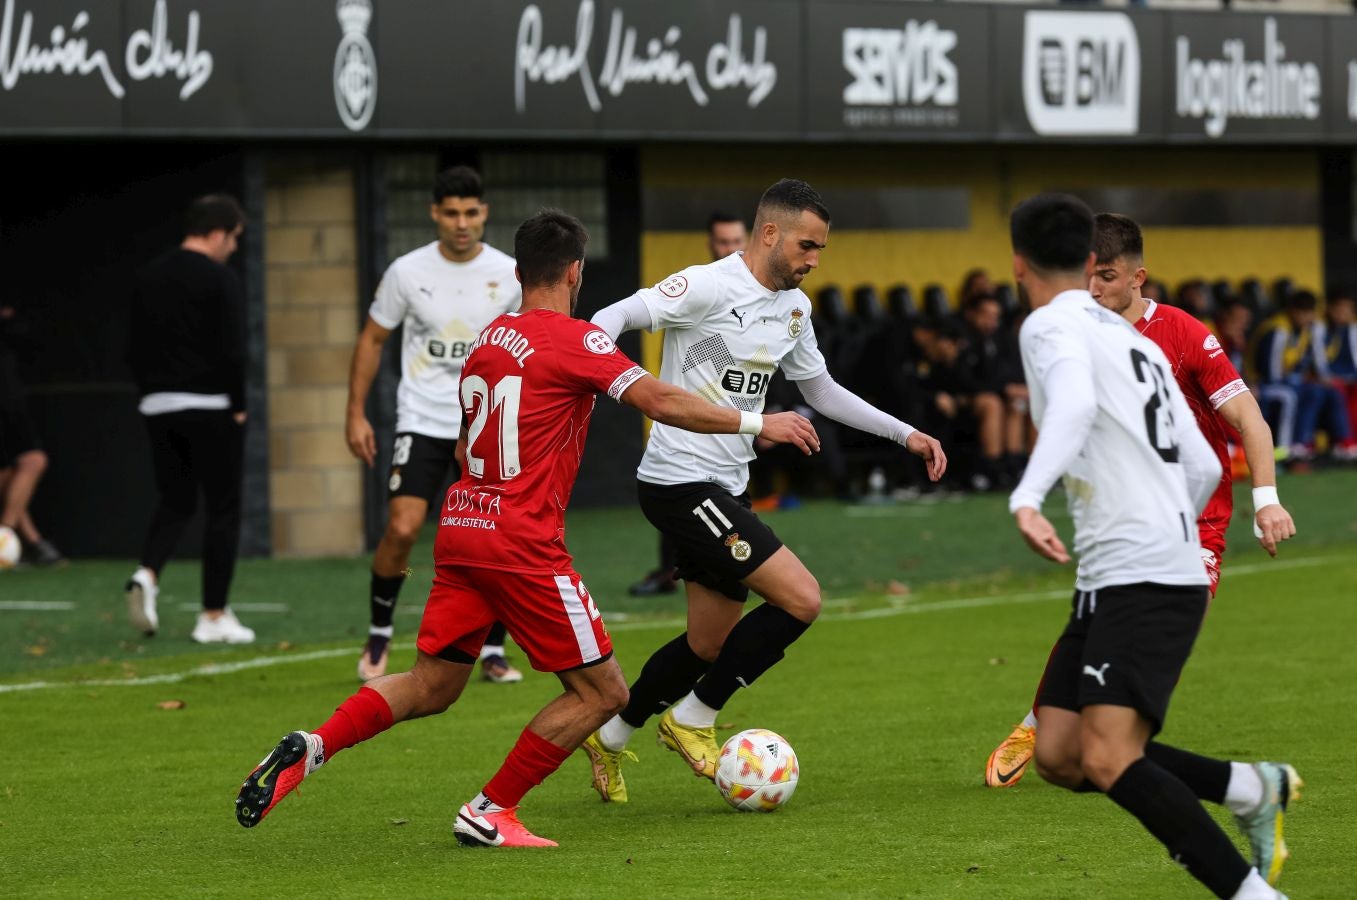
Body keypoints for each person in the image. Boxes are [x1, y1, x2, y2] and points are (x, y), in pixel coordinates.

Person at [234, 209, 819, 847]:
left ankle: (315, 745)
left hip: (461, 525)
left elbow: (464, 449)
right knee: (602, 693)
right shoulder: (578, 340)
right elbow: (661, 401)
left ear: (516, 272)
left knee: (431, 684)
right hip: (521, 542)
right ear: (575, 272)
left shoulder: (487, 342)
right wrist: (758, 424)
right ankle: (490, 810)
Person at [581, 179, 946, 802]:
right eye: (807, 245)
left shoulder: (794, 309)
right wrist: (636, 386)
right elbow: (606, 320)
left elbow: (822, 391)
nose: (813, 259)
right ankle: (693, 718)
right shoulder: (707, 284)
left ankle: (610, 736)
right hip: (678, 480)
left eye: (821, 250)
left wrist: (905, 434)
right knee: (801, 600)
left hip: (726, 487)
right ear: (770, 233)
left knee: (708, 641)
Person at [1003, 194, 1294, 900]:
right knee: (1060, 753)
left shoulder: (1048, 326)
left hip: (1142, 571)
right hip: (1123, 570)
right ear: (1087, 263)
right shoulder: (1132, 340)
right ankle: (1246, 786)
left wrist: (1025, 496)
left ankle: (1253, 895)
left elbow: (1070, 408)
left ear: (1017, 266)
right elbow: (1200, 462)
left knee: (1106, 756)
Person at [345, 166, 524, 683]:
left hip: (488, 421)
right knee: (401, 529)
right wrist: (355, 413)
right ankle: (380, 631)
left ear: (484, 213)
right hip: (422, 415)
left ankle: (492, 647)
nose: (461, 223)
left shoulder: (510, 273)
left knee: (496, 536)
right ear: (434, 214)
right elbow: (373, 339)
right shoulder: (407, 271)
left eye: (471, 212)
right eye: (451, 212)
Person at [124, 194, 254, 643]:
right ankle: (213, 616)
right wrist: (238, 403)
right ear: (218, 232)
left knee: (175, 500)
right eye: (234, 237)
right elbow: (235, 349)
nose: (234, 247)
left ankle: (147, 574)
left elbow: (132, 349)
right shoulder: (222, 279)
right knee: (222, 508)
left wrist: (150, 395)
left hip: (159, 408)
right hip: (212, 406)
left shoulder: (147, 276)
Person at [629, 211, 749, 597]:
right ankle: (669, 571)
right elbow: (630, 313)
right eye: (722, 242)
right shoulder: (699, 288)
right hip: (684, 430)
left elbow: (764, 366)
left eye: (735, 240)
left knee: (730, 527)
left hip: (735, 435)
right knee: (679, 493)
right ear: (710, 244)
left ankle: (695, 571)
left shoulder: (771, 301)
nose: (730, 248)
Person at [1250, 290, 1354, 463]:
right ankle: (1284, 450)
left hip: (1287, 381)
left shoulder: (1305, 330)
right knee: (1292, 395)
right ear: (1293, 311)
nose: (1307, 318)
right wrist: (1297, 378)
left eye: (1310, 313)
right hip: (1259, 384)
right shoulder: (1278, 330)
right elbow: (1271, 374)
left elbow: (1304, 365)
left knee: (1327, 391)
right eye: (1304, 313)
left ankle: (1339, 443)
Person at [0, 302, 63, 566]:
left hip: (10, 402)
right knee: (20, 466)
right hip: (6, 404)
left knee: (23, 465)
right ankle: (17, 537)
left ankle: (22, 538)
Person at [1319, 289, 1357, 460]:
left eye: (1348, 309)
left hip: (1348, 378)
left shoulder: (1352, 330)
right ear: (1329, 308)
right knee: (1337, 391)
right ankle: (1345, 442)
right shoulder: (1320, 329)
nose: (1344, 313)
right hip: (1326, 379)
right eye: (1340, 308)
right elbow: (1319, 361)